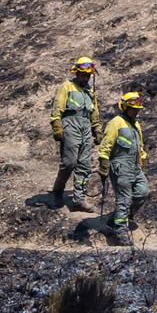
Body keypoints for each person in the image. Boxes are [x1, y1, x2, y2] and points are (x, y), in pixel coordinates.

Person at [50, 57, 102, 211]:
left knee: (84, 165)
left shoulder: (90, 92)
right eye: (82, 74)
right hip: (70, 125)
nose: (85, 78)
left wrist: (97, 129)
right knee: (69, 162)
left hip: (85, 127)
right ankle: (57, 191)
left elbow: (94, 112)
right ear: (77, 73)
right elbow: (57, 107)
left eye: (87, 75)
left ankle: (79, 198)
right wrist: (57, 125)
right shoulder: (67, 87)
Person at [98, 92, 148, 246]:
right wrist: (104, 164)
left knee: (142, 192)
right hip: (120, 167)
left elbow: (140, 145)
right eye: (133, 108)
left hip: (134, 166)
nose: (136, 111)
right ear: (125, 107)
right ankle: (120, 231)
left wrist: (142, 159)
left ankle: (118, 218)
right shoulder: (116, 123)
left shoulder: (136, 124)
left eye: (138, 109)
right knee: (124, 199)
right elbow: (105, 146)